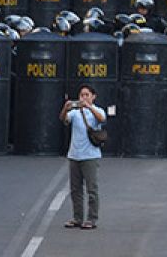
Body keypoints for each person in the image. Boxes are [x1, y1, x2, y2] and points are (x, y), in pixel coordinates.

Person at [61, 84, 106, 230]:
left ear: (93, 97)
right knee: (75, 189)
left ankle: (92, 219)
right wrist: (66, 108)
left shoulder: (97, 111)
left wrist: (89, 107)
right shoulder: (75, 113)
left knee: (92, 189)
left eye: (87, 95)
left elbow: (101, 119)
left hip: (90, 156)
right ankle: (77, 217)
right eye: (82, 95)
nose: (84, 97)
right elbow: (64, 120)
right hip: (74, 155)